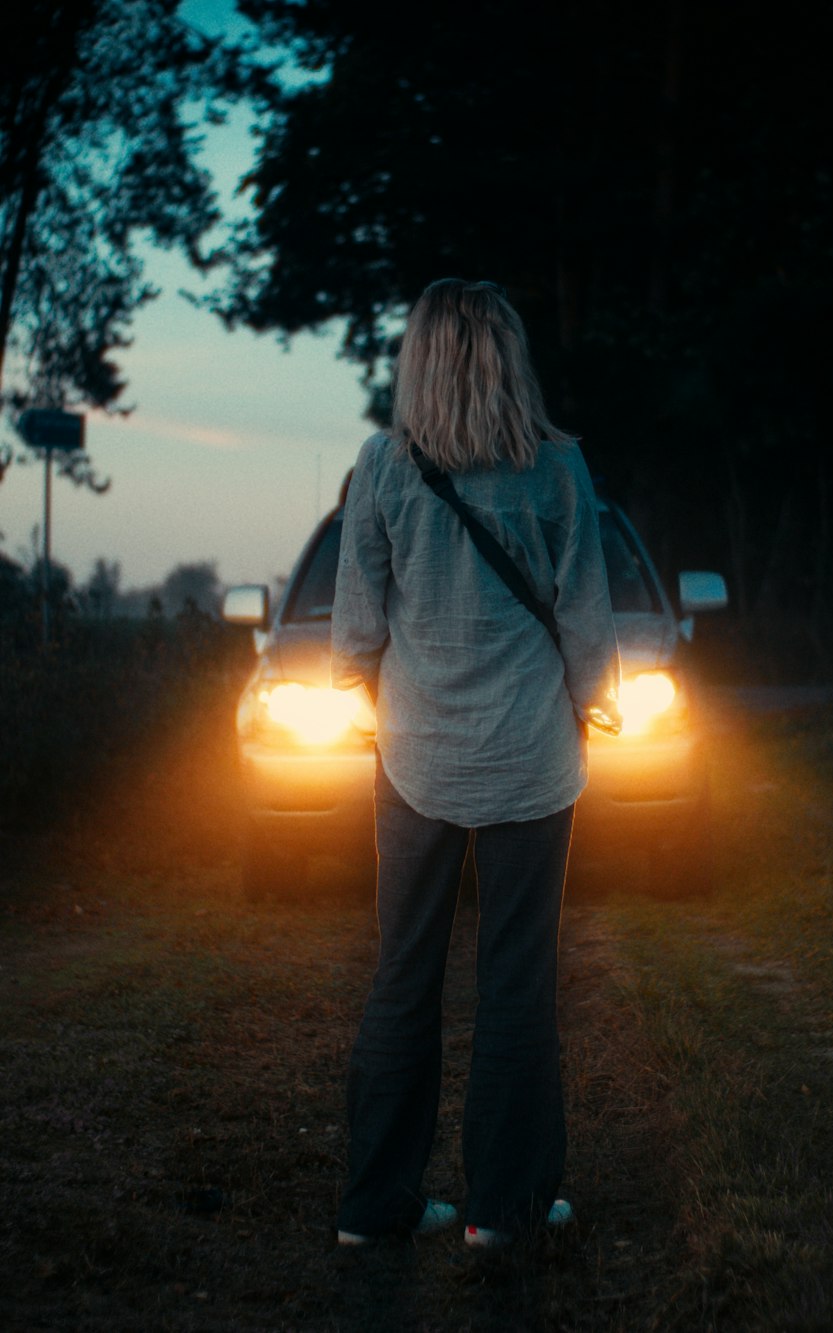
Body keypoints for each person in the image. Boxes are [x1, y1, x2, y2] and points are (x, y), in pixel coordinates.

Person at [329, 278, 621, 1249]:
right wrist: (595, 701)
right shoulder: (557, 471)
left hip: (414, 759)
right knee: (515, 979)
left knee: (403, 972)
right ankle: (505, 1209)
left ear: (419, 360)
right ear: (509, 359)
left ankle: (375, 1208)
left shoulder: (381, 467)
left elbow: (355, 633)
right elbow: (584, 619)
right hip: (533, 757)